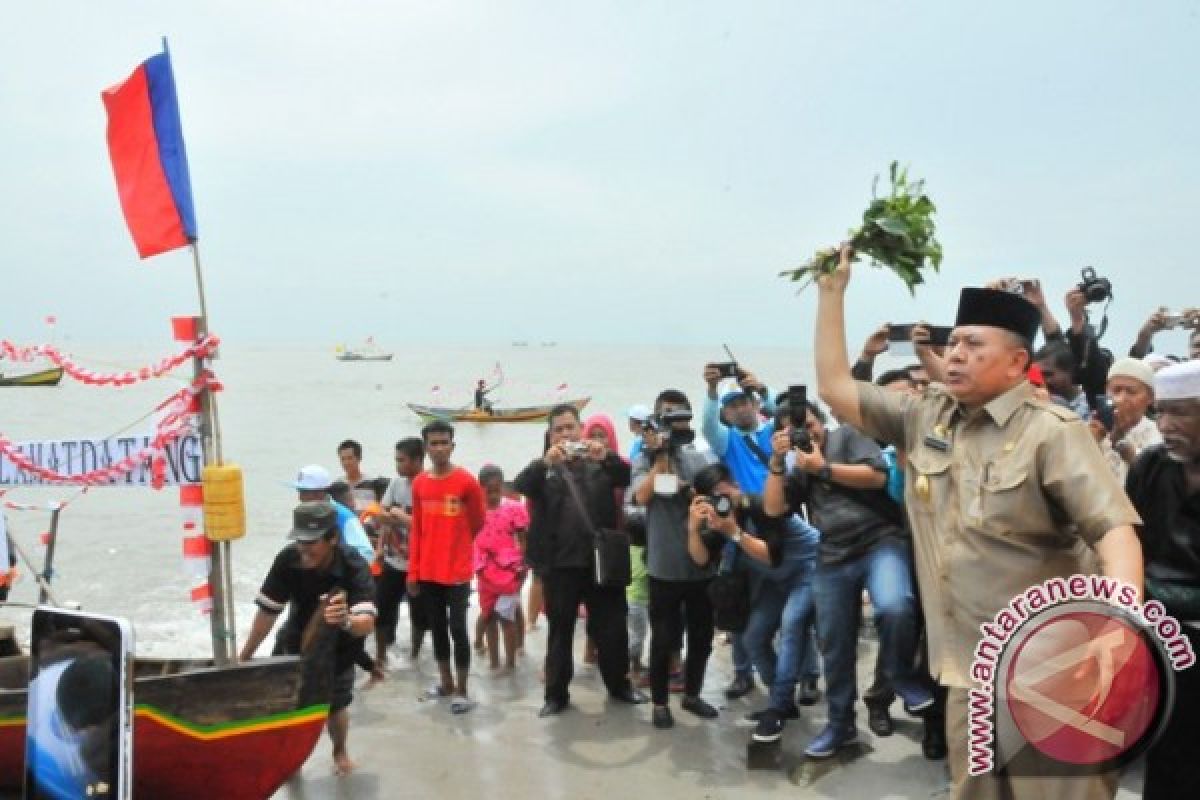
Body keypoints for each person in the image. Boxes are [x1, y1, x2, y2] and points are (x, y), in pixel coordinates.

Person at [813, 245, 1143, 799]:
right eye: (953, 343)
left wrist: (1116, 632)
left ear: (1017, 363)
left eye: (972, 344)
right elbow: (836, 392)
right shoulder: (926, 416)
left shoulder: (1051, 433)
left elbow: (1114, 532)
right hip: (970, 679)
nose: (955, 354)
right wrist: (831, 294)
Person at [763, 396, 932, 758]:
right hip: (833, 555)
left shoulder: (849, 436)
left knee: (895, 606)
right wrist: (778, 463)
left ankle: (899, 674)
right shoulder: (796, 467)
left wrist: (823, 468)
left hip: (880, 542)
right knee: (834, 644)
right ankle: (840, 724)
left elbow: (878, 476)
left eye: (809, 425)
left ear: (820, 422)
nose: (807, 434)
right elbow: (773, 509)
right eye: (795, 432)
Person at [515, 403, 647, 717]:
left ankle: (620, 686)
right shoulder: (544, 469)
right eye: (558, 429)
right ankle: (556, 695)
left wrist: (607, 456)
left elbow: (630, 477)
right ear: (550, 435)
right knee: (560, 631)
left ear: (581, 428)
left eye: (570, 427)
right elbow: (521, 485)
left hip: (600, 563)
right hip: (560, 565)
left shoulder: (599, 463)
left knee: (612, 628)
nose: (565, 434)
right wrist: (544, 462)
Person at [240, 501, 377, 776]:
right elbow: (268, 613)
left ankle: (340, 752)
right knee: (287, 703)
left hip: (340, 644)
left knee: (335, 704)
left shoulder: (354, 567)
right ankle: (292, 760)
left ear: (333, 538)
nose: (304, 549)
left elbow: (368, 623)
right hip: (295, 639)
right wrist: (245, 656)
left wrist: (347, 620)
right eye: (299, 540)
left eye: (312, 541)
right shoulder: (287, 560)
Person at [1125, 360, 1200, 800]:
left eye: (1183, 413)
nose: (1167, 425)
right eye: (1162, 412)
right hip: (1165, 636)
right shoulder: (1151, 467)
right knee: (1169, 757)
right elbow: (1130, 543)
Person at [631, 389, 719, 729]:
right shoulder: (643, 460)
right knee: (663, 638)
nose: (675, 422)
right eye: (667, 416)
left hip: (700, 566)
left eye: (680, 415)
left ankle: (693, 694)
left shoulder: (698, 459)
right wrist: (660, 457)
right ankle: (659, 702)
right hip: (664, 566)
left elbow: (714, 496)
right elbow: (641, 496)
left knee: (701, 637)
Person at [700, 365, 777, 700]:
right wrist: (712, 391)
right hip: (739, 525)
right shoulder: (726, 440)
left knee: (788, 605)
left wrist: (763, 389)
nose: (741, 408)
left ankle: (804, 674)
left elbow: (790, 417)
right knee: (738, 603)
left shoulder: (772, 432)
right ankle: (743, 673)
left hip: (777, 523)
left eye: (745, 401)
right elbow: (707, 425)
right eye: (732, 406)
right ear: (726, 414)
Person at [406, 420, 487, 714]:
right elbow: (417, 529)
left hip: (457, 571)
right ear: (425, 447)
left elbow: (478, 523)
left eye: (444, 442)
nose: (439, 448)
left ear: (453, 445)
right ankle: (445, 682)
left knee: (457, 628)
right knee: (437, 628)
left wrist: (458, 548)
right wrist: (413, 572)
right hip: (428, 571)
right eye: (433, 443)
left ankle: (463, 690)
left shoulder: (467, 482)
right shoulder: (420, 483)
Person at [371, 437, 426, 670]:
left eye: (401, 460)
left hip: (421, 563)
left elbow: (429, 526)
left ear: (416, 460)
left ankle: (415, 655)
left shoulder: (427, 484)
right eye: (396, 460)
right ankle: (381, 656)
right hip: (393, 561)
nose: (397, 465)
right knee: (382, 609)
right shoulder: (396, 484)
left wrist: (399, 517)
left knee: (419, 614)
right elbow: (380, 517)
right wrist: (379, 548)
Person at [473, 464, 529, 671]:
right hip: (484, 571)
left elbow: (523, 539)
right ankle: (494, 662)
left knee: (507, 617)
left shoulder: (514, 508)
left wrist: (522, 565)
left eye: (497, 489)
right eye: (489, 490)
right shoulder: (475, 511)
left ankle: (510, 663)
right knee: (488, 616)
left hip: (509, 571)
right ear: (481, 488)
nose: (493, 495)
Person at [1088, 357, 1162, 482]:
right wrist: (1091, 438)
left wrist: (1121, 443)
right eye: (1116, 390)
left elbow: (1156, 477)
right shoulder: (1092, 429)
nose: (1121, 398)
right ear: (1106, 390)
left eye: (1131, 392)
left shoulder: (1160, 434)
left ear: (1150, 397)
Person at [290, 464, 375, 564]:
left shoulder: (343, 516)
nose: (300, 497)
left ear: (319, 493)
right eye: (300, 492)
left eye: (304, 492)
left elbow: (367, 553)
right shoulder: (303, 516)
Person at [337, 439, 388, 511]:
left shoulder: (374, 483)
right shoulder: (338, 485)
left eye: (350, 458)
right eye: (343, 459)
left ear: (359, 458)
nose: (346, 463)